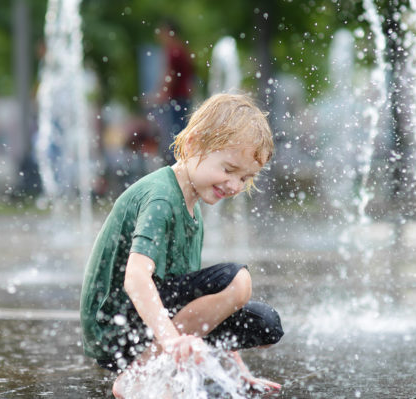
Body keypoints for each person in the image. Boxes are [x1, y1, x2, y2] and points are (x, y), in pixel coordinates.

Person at [79, 93, 284, 398]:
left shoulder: (193, 206)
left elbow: (203, 303)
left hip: (146, 324)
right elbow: (135, 278)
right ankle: (138, 375)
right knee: (238, 281)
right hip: (115, 331)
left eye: (245, 177)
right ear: (192, 145)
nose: (235, 185)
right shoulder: (161, 198)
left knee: (265, 325)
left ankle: (165, 361)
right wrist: (172, 341)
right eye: (228, 170)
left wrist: (239, 374)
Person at [155, 20, 194, 164]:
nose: (159, 37)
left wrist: (161, 94)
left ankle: (177, 167)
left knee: (175, 135)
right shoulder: (182, 49)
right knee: (180, 132)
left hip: (177, 98)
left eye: (162, 33)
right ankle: (182, 163)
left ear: (169, 32)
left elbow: (170, 76)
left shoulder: (173, 51)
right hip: (183, 97)